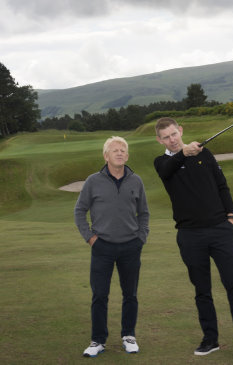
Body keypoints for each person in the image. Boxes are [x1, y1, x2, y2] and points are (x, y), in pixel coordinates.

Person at [154, 117, 233, 360]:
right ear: (159, 140)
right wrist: (184, 153)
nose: (171, 139)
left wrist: (231, 217)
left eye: (174, 134)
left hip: (220, 230)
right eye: (166, 137)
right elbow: (168, 169)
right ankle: (210, 339)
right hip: (189, 235)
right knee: (202, 290)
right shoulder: (162, 162)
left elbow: (222, 186)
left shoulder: (205, 155)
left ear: (180, 130)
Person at [75, 136, 150, 358]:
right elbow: (79, 211)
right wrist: (90, 238)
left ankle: (129, 336)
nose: (119, 153)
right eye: (114, 150)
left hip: (130, 246)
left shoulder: (136, 180)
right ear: (106, 156)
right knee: (99, 295)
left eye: (123, 150)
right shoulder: (92, 181)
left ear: (127, 155)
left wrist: (141, 237)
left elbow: (144, 213)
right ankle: (98, 340)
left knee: (131, 294)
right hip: (102, 247)